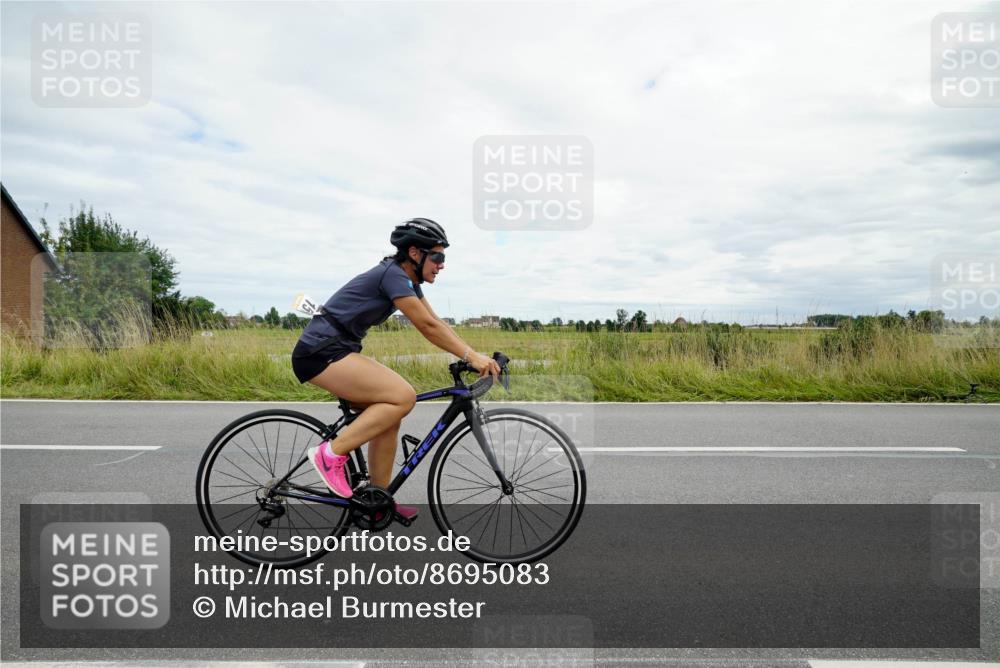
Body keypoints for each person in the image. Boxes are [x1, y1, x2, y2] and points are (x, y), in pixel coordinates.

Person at [290, 218, 501, 521]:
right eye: (437, 257)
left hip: (337, 350)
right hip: (320, 352)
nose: (441, 265)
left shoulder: (407, 281)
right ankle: (330, 454)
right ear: (414, 253)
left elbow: (436, 322)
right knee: (403, 396)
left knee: (389, 415)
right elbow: (426, 326)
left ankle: (378, 500)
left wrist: (473, 354)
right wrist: (472, 356)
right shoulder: (392, 276)